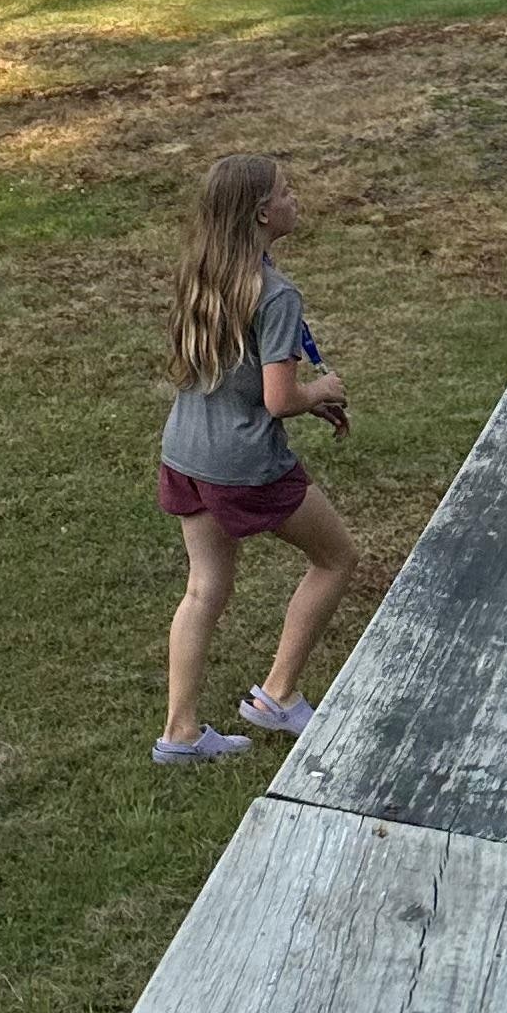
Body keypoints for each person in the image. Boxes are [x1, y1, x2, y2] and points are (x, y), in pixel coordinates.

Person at [153, 153, 356, 765]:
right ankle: (278, 694)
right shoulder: (277, 295)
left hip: (186, 453)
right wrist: (318, 392)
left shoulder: (202, 272)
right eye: (287, 192)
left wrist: (299, 398)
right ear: (264, 213)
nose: (296, 199)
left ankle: (180, 734)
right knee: (337, 559)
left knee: (204, 588)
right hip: (244, 466)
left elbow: (228, 370)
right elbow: (277, 397)